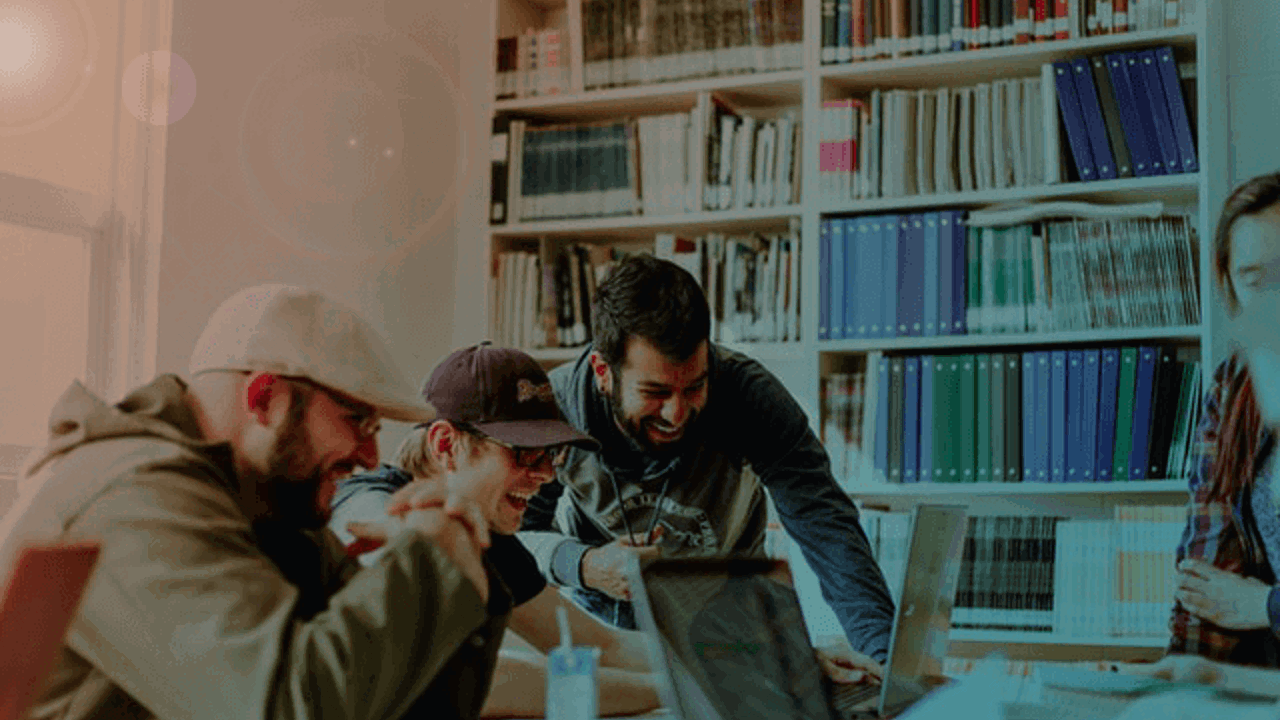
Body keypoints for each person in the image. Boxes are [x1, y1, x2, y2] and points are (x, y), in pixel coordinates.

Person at [0, 284, 503, 720]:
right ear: (265, 398)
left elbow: (398, 705)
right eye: (355, 421)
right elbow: (291, 708)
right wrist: (429, 559)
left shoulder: (264, 507)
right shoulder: (131, 496)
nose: (372, 459)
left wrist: (459, 555)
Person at [519, 254, 897, 668]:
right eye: (655, 392)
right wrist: (586, 565)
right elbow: (515, 539)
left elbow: (829, 530)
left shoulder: (750, 398)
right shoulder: (555, 409)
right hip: (605, 640)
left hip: (730, 636)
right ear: (603, 372)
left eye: (694, 387)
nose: (676, 414)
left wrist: (884, 665)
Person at [328, 342, 662, 718]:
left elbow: (601, 646)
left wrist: (715, 660)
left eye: (551, 454)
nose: (546, 475)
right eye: (524, 452)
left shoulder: (489, 534)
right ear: (446, 445)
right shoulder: (367, 500)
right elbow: (466, 679)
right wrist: (669, 690)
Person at [1168, 172, 1280, 666]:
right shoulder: (1235, 386)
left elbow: (1243, 602)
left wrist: (1264, 605)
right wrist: (1181, 681)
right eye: (1256, 282)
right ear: (1231, 289)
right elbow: (1207, 571)